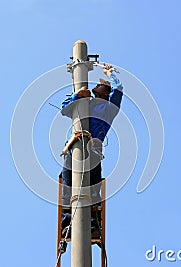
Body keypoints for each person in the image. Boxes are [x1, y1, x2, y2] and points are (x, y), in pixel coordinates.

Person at [60, 64, 123, 238]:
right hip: (74, 148)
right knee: (68, 187)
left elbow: (118, 90)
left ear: (105, 92)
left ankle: (93, 224)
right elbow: (64, 109)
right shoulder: (84, 102)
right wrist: (77, 95)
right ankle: (68, 224)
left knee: (93, 190)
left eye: (101, 85)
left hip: (93, 151)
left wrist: (110, 74)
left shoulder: (109, 109)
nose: (97, 85)